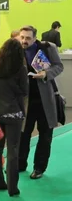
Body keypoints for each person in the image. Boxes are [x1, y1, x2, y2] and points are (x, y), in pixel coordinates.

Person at [18, 25, 64, 179]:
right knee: (23, 134)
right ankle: (20, 163)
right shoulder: (15, 49)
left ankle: (39, 168)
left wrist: (45, 73)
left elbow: (59, 66)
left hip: (45, 99)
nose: (24, 41)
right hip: (25, 101)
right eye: (22, 37)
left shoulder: (47, 48)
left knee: (45, 135)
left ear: (35, 38)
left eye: (28, 38)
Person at [0, 39, 29, 196]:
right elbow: (24, 91)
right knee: (13, 150)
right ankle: (12, 187)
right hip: (14, 113)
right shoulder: (21, 69)